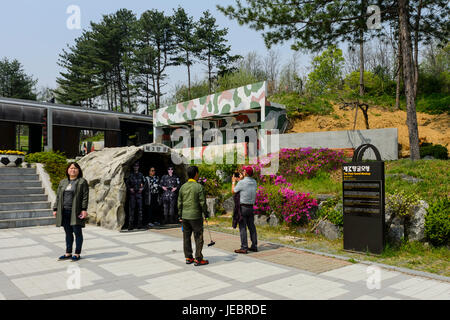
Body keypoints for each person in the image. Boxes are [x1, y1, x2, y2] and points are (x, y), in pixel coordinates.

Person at [53, 162, 89, 262]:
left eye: (75, 168)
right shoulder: (63, 182)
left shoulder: (82, 182)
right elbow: (58, 196)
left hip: (76, 212)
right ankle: (68, 253)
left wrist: (84, 209)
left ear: (78, 170)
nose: (73, 170)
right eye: (71, 168)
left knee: (77, 232)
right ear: (68, 170)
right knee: (68, 233)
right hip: (64, 211)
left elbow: (85, 197)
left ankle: (77, 253)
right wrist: (55, 209)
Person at [178, 166, 209, 266]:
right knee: (198, 236)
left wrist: (180, 215)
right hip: (195, 216)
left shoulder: (183, 187)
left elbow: (179, 203)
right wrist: (206, 214)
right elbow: (202, 203)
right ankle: (198, 258)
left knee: (186, 237)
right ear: (196, 174)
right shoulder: (199, 187)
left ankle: (188, 257)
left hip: (185, 216)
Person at [232, 166, 258, 254]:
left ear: (246, 173)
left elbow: (233, 191)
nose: (242, 171)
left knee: (242, 227)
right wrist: (241, 179)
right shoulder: (254, 182)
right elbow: (245, 185)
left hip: (243, 207)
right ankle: (254, 245)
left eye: (243, 170)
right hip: (251, 207)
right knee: (251, 226)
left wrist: (233, 182)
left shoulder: (242, 183)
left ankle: (244, 247)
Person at [126, 162, 145, 230]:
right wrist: (130, 189)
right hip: (133, 194)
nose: (136, 167)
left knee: (140, 210)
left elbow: (144, 183)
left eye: (137, 166)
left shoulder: (141, 175)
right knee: (132, 210)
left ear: (138, 167)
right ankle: (131, 225)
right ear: (133, 167)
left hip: (139, 194)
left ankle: (139, 224)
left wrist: (142, 189)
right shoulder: (130, 175)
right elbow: (127, 183)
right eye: (135, 166)